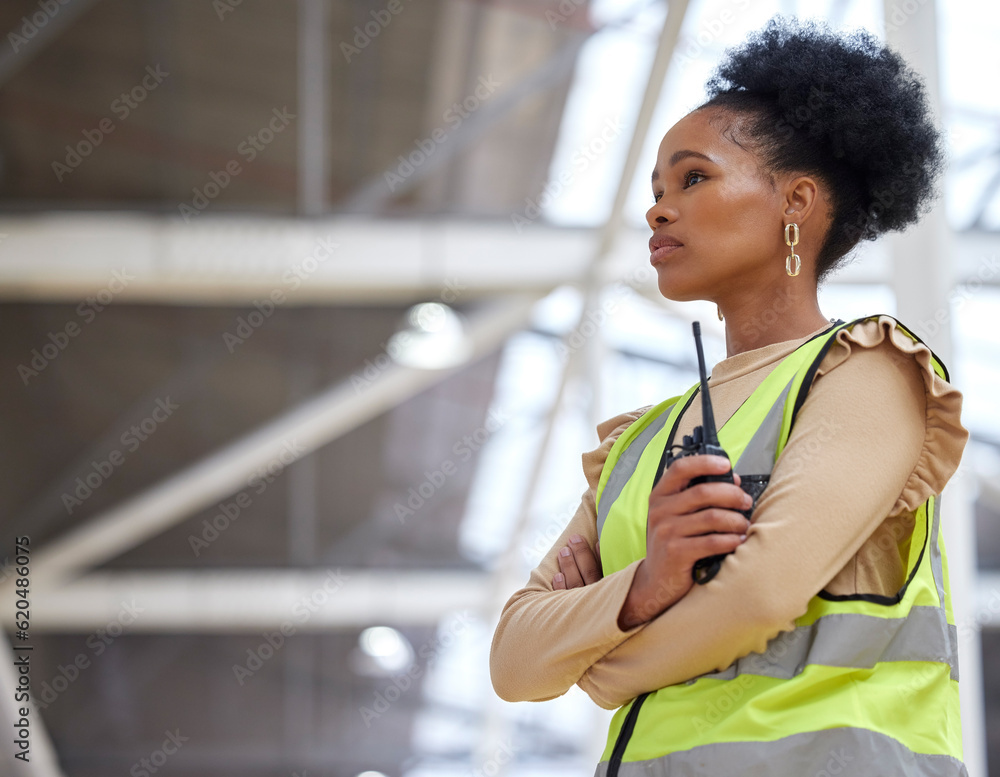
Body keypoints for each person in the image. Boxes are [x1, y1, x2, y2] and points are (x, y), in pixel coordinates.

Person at [490, 16, 970, 777]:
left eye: (693, 178)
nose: (658, 209)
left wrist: (598, 661)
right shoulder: (636, 441)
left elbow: (758, 596)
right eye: (655, 189)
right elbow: (514, 662)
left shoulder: (869, 370)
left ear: (797, 201)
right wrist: (648, 583)